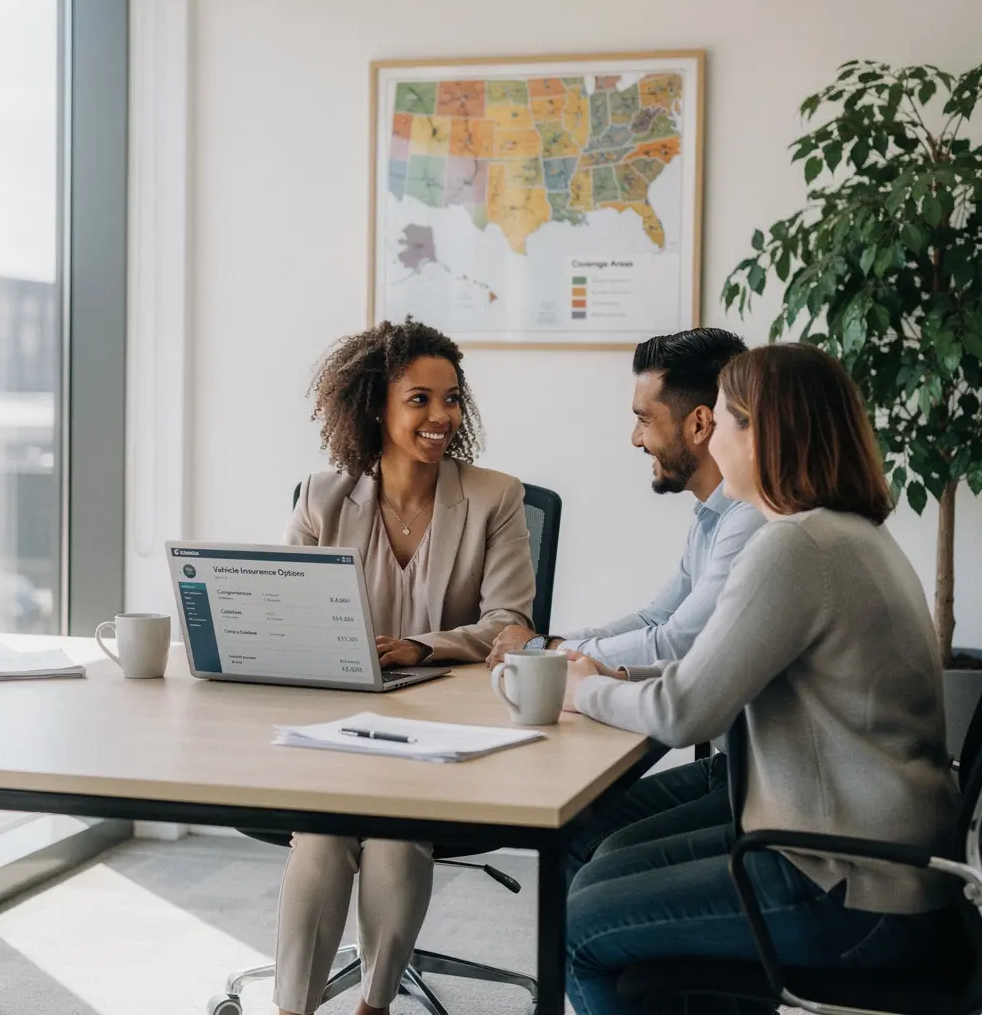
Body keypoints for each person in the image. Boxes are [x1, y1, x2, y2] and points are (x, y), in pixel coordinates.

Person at [562, 343, 963, 1015]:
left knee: (584, 928)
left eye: (719, 422)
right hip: (870, 862)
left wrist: (581, 691)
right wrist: (615, 673)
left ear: (762, 433)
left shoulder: (796, 547)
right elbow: (719, 664)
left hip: (848, 886)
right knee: (600, 872)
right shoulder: (842, 533)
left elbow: (687, 713)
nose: (710, 438)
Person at [274, 317, 535, 1015]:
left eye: (451, 399)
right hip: (334, 728)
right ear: (376, 407)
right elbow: (279, 609)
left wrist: (425, 647)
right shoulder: (322, 497)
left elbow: (510, 623)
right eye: (420, 398)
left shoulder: (493, 498)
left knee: (394, 834)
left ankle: (374, 1006)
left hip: (437, 730)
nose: (442, 415)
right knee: (325, 836)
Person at [488, 327, 764, 877]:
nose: (635, 439)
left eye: (644, 418)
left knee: (593, 855)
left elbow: (681, 646)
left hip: (766, 787)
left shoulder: (755, 523)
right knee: (581, 835)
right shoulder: (715, 516)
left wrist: (557, 654)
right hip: (749, 770)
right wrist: (564, 651)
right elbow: (657, 619)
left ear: (701, 424)